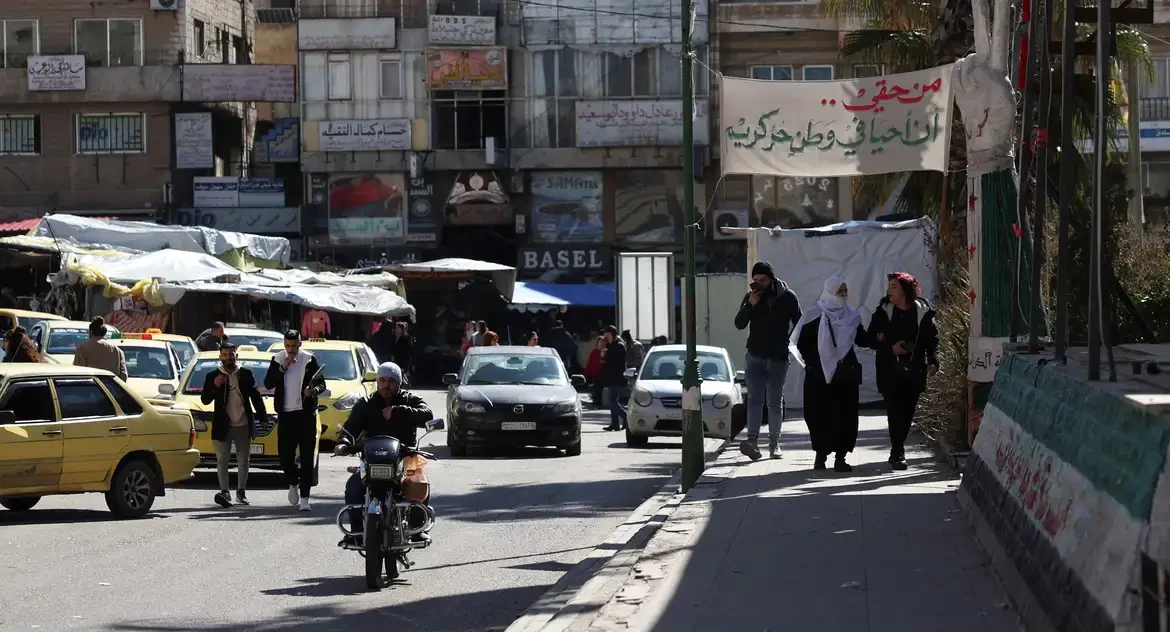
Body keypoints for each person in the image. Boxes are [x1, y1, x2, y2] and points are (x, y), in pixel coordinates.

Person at [335, 362, 434, 547]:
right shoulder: (366, 404)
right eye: (382, 380)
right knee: (354, 487)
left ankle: (418, 529)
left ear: (399, 383)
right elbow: (350, 428)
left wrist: (398, 411)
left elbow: (427, 415)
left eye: (391, 381)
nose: (386, 385)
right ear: (377, 382)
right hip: (372, 458)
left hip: (404, 458)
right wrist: (344, 443)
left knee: (418, 483)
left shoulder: (409, 399)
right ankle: (356, 531)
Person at [790, 275, 867, 472]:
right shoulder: (813, 316)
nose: (842, 295)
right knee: (818, 416)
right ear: (829, 292)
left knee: (846, 416)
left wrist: (883, 336)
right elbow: (801, 343)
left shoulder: (851, 316)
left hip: (844, 376)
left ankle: (840, 457)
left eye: (844, 291)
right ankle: (820, 455)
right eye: (838, 291)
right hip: (818, 377)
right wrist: (818, 364)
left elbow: (862, 339)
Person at [866, 272, 940, 471]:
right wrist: (891, 347)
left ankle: (897, 447)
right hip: (889, 369)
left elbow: (933, 340)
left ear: (906, 290)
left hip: (915, 370)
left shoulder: (922, 312)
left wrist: (933, 361)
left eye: (894, 286)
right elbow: (870, 338)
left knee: (908, 412)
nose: (890, 290)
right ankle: (898, 451)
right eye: (889, 286)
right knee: (894, 409)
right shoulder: (883, 312)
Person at [733, 261, 802, 460]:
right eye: (754, 281)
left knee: (774, 401)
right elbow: (739, 324)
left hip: (778, 358)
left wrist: (789, 343)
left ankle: (774, 444)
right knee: (755, 400)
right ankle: (752, 442)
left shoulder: (787, 297)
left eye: (762, 280)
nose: (758, 284)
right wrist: (750, 306)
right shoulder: (751, 298)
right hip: (755, 355)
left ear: (771, 279)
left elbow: (799, 322)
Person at [265, 330, 327, 511]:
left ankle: (305, 498)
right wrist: (283, 367)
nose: (291, 350)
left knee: (307, 459)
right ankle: (293, 483)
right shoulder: (277, 359)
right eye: (287, 346)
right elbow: (268, 383)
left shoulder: (309, 359)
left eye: (294, 345)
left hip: (306, 415)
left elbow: (322, 383)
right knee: (285, 458)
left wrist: (313, 391)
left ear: (300, 344)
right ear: (284, 344)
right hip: (286, 415)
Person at [200, 343, 267, 507]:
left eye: (231, 354)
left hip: (243, 423)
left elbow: (256, 396)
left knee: (243, 460)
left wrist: (263, 418)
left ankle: (241, 493)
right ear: (220, 356)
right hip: (223, 425)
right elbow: (205, 400)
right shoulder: (212, 376)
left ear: (236, 356)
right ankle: (225, 492)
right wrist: (215, 386)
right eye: (225, 355)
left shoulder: (245, 374)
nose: (229, 357)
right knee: (222, 460)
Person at [74, 317, 128, 381]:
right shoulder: (117, 350)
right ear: (104, 333)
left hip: (90, 387)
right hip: (111, 388)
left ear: (91, 332)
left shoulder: (82, 348)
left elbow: (78, 373)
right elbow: (124, 375)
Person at [600, 325, 628, 432]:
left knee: (612, 401)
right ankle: (614, 424)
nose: (604, 336)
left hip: (617, 377)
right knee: (613, 401)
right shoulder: (610, 345)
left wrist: (605, 356)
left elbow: (618, 362)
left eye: (605, 333)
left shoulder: (619, 345)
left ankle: (626, 417)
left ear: (610, 334)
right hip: (611, 377)